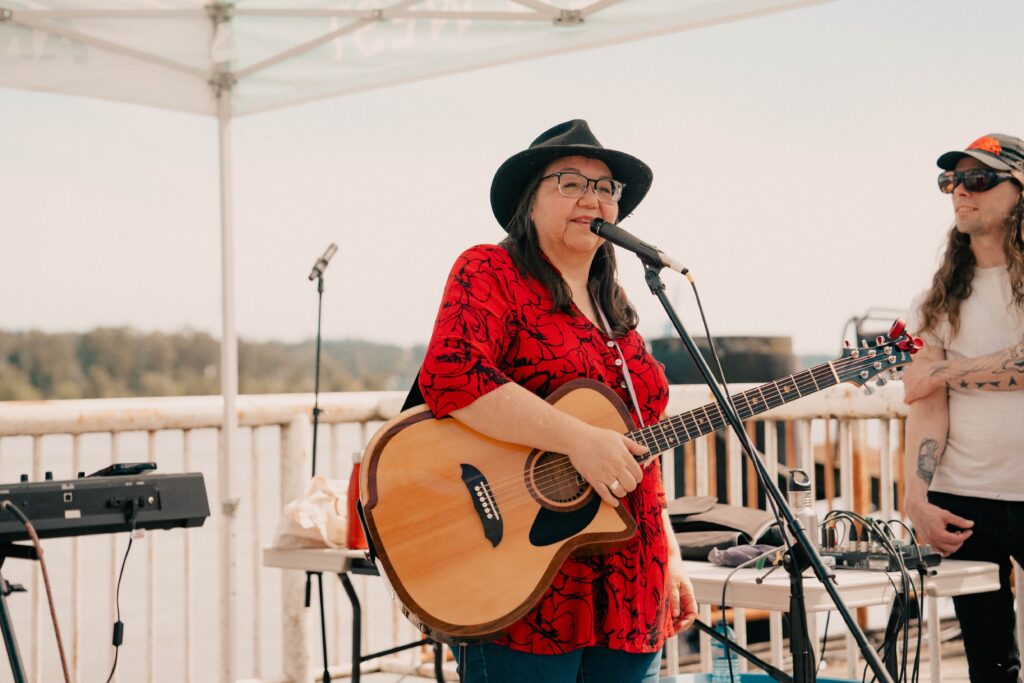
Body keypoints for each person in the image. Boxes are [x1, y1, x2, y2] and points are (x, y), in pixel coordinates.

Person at [416, 119, 698, 682]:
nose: (592, 198)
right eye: (570, 183)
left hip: (629, 576)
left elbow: (637, 442)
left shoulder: (615, 306)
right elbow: (451, 374)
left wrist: (668, 551)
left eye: (606, 187)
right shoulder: (491, 271)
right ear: (530, 200)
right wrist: (577, 440)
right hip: (522, 568)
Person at [903, 133, 1024, 683]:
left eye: (980, 180)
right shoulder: (937, 295)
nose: (961, 193)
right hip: (964, 499)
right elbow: (922, 401)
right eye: (952, 182)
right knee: (989, 665)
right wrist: (916, 497)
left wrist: (946, 370)